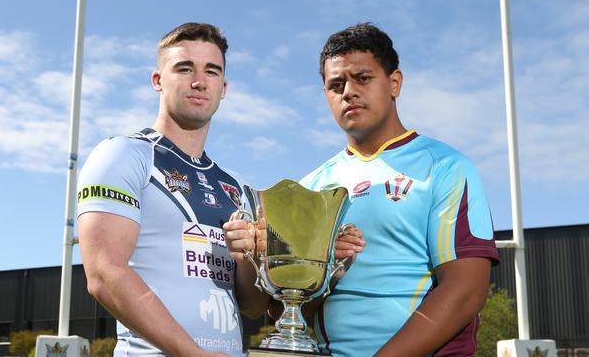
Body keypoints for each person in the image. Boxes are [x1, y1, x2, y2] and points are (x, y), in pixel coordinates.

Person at [226, 22, 499, 357]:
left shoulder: (445, 166)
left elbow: (466, 291)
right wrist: (257, 255)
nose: (348, 92)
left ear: (394, 83)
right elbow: (282, 307)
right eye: (335, 84)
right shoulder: (312, 186)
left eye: (362, 78)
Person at [77, 22, 252, 356]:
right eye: (184, 68)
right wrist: (193, 354)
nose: (199, 81)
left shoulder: (236, 185)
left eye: (211, 72)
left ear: (224, 87)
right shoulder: (123, 154)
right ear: (158, 80)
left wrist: (248, 257)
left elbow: (254, 306)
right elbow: (103, 273)